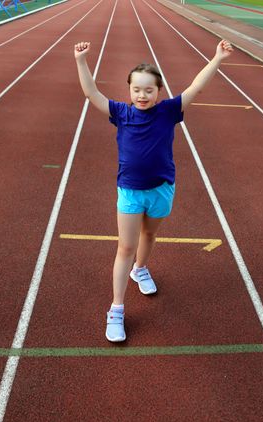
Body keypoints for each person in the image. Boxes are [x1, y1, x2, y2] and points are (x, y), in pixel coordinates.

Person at [74, 39, 233, 342]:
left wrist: (217, 58)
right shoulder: (121, 113)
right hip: (130, 191)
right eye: (137, 89)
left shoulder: (168, 111)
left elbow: (196, 87)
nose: (142, 95)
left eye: (149, 90)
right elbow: (90, 93)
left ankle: (141, 270)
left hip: (162, 189)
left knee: (150, 235)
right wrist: (81, 61)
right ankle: (117, 309)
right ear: (129, 90)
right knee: (125, 247)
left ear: (159, 91)